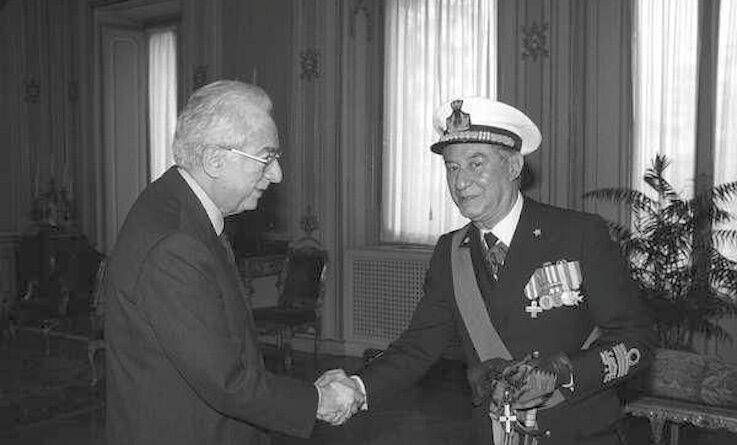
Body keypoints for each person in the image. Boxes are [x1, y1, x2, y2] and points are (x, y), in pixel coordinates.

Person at [322, 97, 654, 444]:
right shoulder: (450, 252)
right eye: (452, 167)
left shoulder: (578, 234)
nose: (461, 182)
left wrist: (564, 373)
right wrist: (357, 387)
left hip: (580, 433)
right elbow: (419, 346)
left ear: (513, 166)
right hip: (497, 434)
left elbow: (637, 340)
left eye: (475, 164)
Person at [103, 80, 363, 444]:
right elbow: (225, 381)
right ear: (214, 160)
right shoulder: (174, 245)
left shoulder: (178, 208)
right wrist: (318, 400)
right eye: (266, 158)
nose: (277, 174)